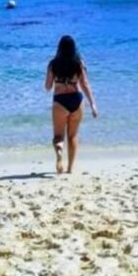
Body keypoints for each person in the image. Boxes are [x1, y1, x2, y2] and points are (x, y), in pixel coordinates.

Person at [44, 35, 97, 174]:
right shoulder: (79, 63)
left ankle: (59, 151)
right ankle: (70, 169)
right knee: (73, 136)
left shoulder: (53, 64)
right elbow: (85, 84)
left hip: (60, 101)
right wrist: (92, 104)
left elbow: (48, 87)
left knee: (58, 136)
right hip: (76, 100)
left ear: (59, 48)